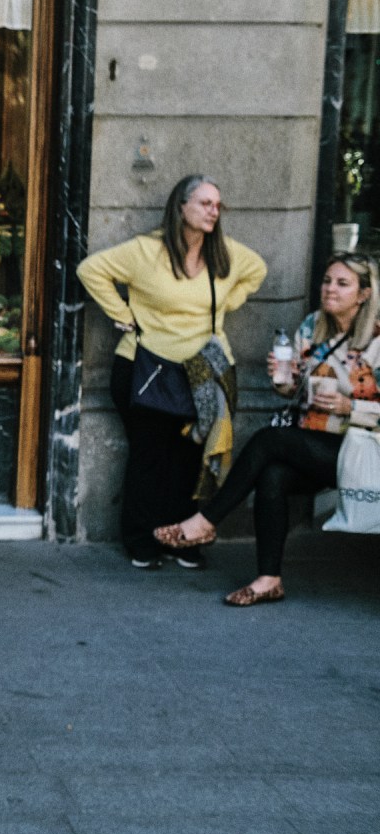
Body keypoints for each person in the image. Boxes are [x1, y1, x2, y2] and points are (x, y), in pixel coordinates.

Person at [156, 253, 380, 605]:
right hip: (312, 442)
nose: (330, 289)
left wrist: (349, 407)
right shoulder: (312, 327)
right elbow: (293, 392)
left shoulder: (378, 340)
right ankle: (268, 579)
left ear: (364, 294)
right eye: (326, 281)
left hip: (363, 451)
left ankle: (207, 520)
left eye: (342, 283)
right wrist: (284, 380)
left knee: (269, 441)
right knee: (273, 474)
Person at [77, 174, 266, 570]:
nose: (213, 211)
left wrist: (225, 304)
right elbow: (90, 270)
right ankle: (141, 541)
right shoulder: (146, 251)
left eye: (218, 205)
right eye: (205, 203)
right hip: (145, 368)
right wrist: (122, 314)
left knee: (189, 460)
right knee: (149, 458)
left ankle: (182, 540)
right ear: (181, 207)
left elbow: (258, 271)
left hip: (201, 374)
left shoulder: (225, 254)